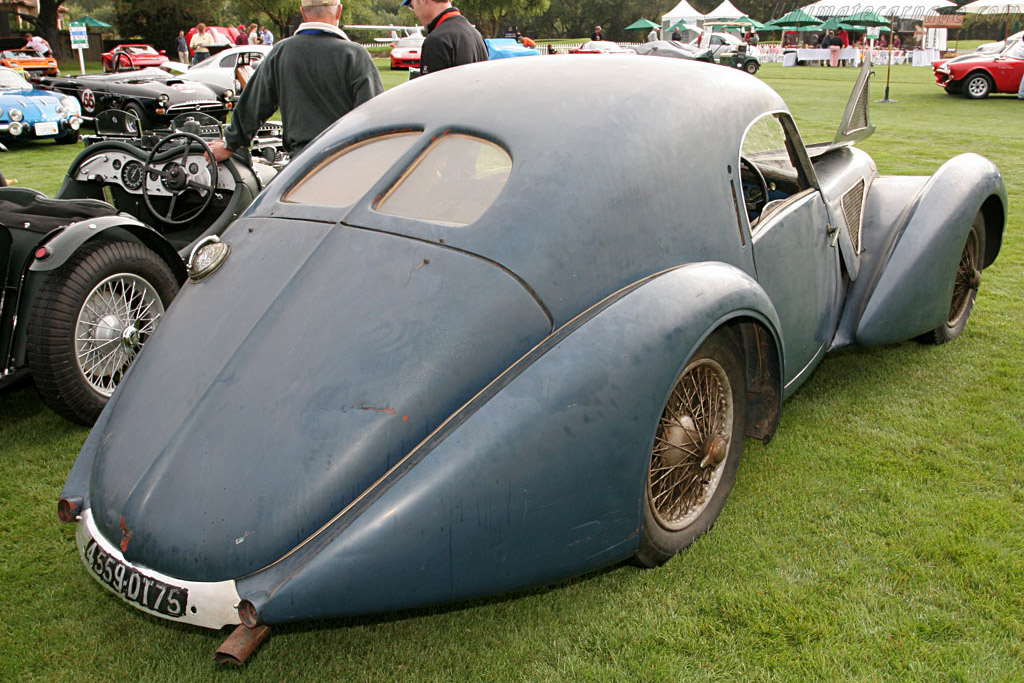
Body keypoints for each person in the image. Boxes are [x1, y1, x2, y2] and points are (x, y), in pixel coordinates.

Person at [209, 0, 383, 162]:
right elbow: (374, 116)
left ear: (303, 13)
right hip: (345, 159)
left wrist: (230, 144)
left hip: (300, 163)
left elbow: (255, 104)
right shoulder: (355, 55)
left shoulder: (281, 52)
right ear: (339, 11)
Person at [401, 0, 487, 75]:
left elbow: (431, 91)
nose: (416, 15)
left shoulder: (436, 40)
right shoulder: (476, 35)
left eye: (412, 6)